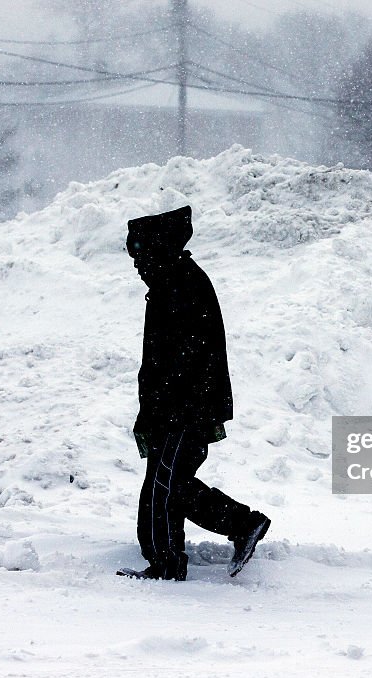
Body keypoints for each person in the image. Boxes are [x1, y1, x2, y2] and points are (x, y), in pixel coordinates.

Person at [119, 205, 271, 581]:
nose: (137, 266)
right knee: (171, 486)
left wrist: (168, 409)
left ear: (158, 250)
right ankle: (240, 524)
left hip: (182, 408)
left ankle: (168, 563)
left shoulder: (180, 284)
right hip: (177, 407)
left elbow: (185, 358)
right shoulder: (172, 282)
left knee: (164, 488)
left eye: (141, 256)